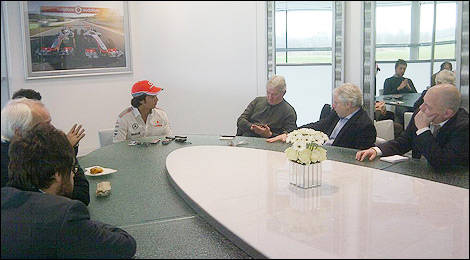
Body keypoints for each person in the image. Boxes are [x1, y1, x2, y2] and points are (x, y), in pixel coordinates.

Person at [1, 123, 136, 258]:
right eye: (73, 170)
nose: (73, 174)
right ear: (57, 175)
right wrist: (85, 224)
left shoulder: (7, 196)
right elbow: (124, 245)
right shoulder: (62, 216)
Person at [356, 84, 469, 169]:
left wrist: (423, 130)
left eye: (428, 106)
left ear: (447, 113)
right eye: (423, 102)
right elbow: (404, 142)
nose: (421, 108)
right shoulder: (421, 114)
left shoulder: (463, 127)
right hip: (418, 177)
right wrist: (376, 150)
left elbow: (441, 161)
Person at [1, 98, 89, 206]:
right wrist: (65, 150)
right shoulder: (17, 165)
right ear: (19, 132)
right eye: (46, 125)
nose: (53, 128)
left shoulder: (24, 153)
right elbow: (80, 196)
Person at [267, 83, 376, 150]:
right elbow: (318, 125)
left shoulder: (365, 126)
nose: (333, 106)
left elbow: (356, 158)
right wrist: (290, 134)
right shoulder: (337, 113)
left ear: (348, 105)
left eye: (336, 103)